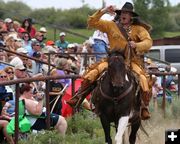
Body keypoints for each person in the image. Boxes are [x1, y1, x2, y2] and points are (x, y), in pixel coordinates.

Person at [67, 2, 153, 120]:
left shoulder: (139, 29)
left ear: (131, 16)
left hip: (131, 61)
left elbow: (148, 42)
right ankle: (79, 96)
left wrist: (137, 45)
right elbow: (92, 22)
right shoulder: (111, 25)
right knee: (93, 73)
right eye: (122, 12)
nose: (124, 15)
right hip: (112, 60)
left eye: (126, 13)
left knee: (143, 79)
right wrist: (104, 10)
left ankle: (143, 107)